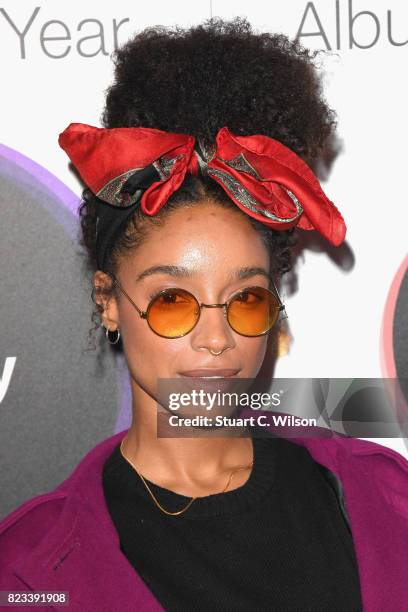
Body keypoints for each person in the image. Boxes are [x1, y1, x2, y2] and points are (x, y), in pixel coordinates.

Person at [1, 16, 407, 612]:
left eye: (246, 298)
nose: (217, 338)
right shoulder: (33, 574)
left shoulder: (385, 496)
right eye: (172, 301)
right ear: (109, 302)